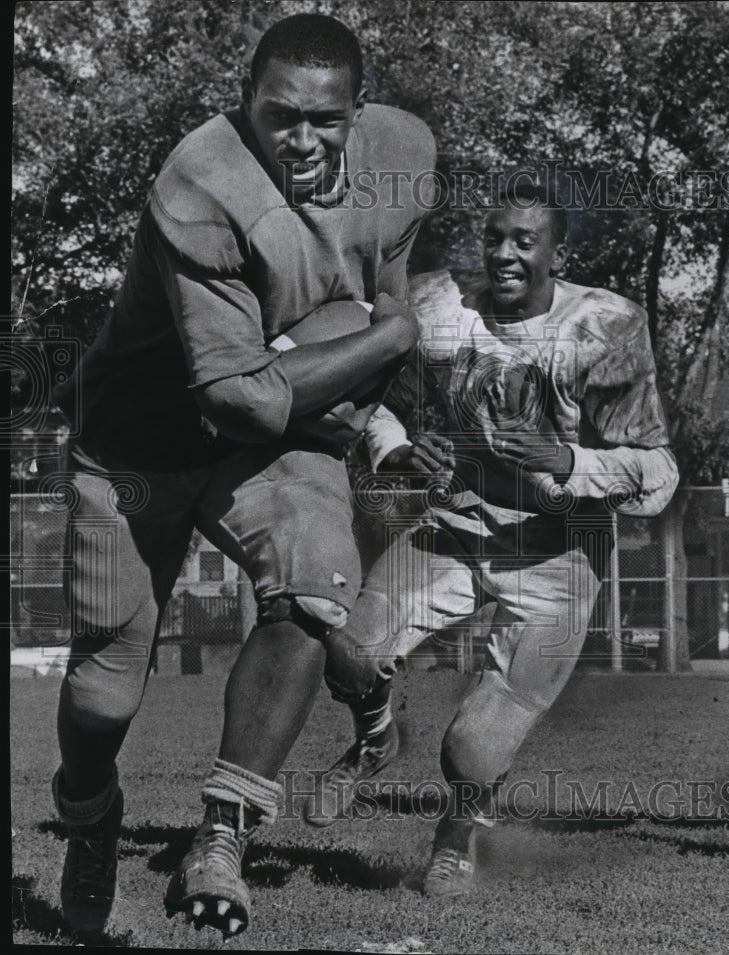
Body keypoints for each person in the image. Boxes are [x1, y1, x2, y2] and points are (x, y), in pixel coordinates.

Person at [50, 13, 435, 938]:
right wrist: (389, 337)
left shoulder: (400, 151)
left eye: (325, 120)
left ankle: (224, 830)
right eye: (279, 116)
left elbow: (383, 277)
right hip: (144, 440)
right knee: (108, 685)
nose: (302, 140)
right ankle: (90, 808)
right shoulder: (201, 181)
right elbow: (238, 396)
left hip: (276, 427)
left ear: (359, 110)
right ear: (245, 101)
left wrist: (371, 355)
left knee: (316, 580)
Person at [304, 183, 680, 896]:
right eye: (495, 238)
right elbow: (378, 402)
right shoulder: (439, 305)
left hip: (561, 551)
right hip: (461, 521)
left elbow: (658, 472)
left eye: (524, 241)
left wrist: (564, 459)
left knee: (470, 748)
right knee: (348, 653)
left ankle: (458, 828)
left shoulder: (606, 327)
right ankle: (378, 735)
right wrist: (400, 450)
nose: (504, 254)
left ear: (558, 254)